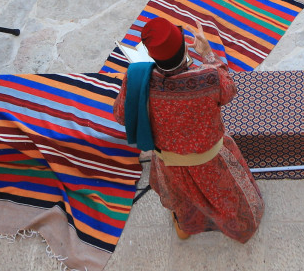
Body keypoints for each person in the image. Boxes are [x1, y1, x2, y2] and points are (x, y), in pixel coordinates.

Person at [111, 15, 264, 242]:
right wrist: (207, 54)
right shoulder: (208, 77)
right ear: (184, 47)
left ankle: (185, 228)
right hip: (212, 160)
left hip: (169, 164)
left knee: (182, 200)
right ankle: (240, 229)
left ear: (152, 56)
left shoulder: (136, 79)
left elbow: (121, 115)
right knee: (228, 199)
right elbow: (229, 90)